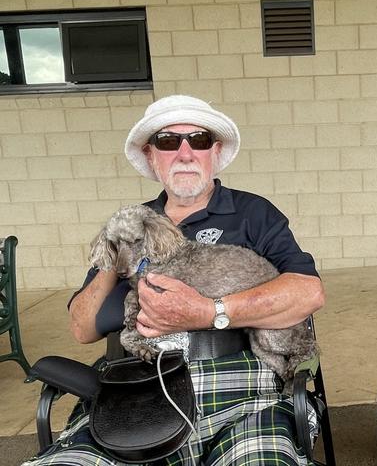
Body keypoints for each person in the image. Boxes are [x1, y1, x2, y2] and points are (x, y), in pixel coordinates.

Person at [24, 95, 325, 466]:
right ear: (151, 156)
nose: (184, 153)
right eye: (168, 142)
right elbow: (83, 328)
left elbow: (308, 293)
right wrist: (114, 253)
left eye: (198, 140)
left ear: (214, 152)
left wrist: (206, 312)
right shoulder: (131, 223)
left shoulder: (252, 213)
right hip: (135, 392)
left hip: (238, 386)